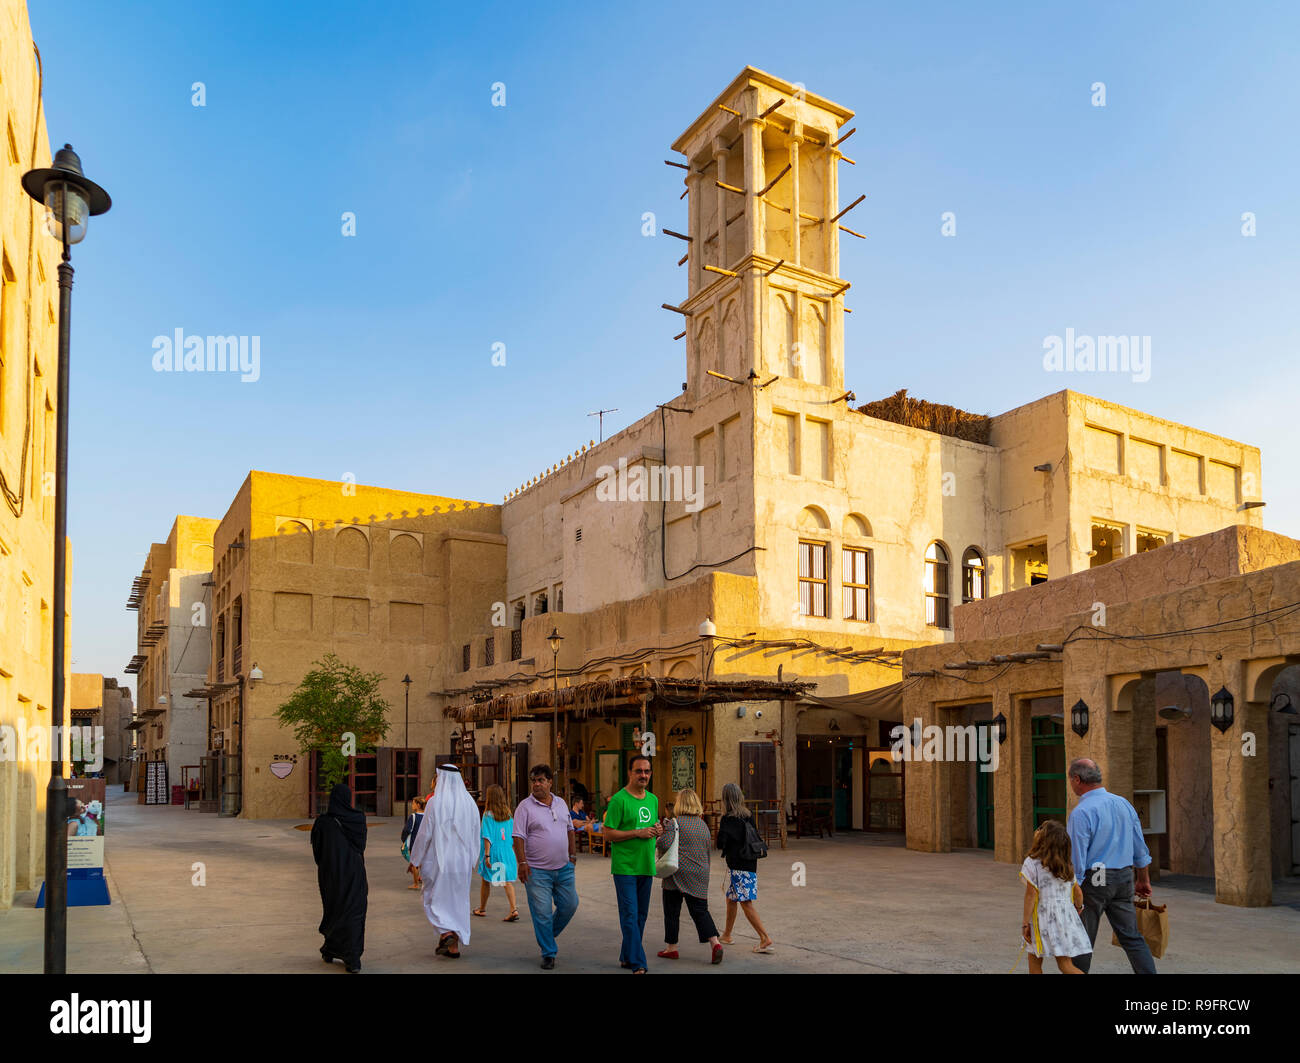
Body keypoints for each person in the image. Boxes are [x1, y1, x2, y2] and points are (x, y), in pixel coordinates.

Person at [1065, 758, 1157, 974]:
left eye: (1071, 780)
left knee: (1083, 939)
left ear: (1077, 779)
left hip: (1095, 879)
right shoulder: (1123, 803)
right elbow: (1139, 847)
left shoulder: (1081, 812)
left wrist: (1074, 891)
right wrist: (1143, 878)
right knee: (1132, 936)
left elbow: (1076, 858)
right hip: (1124, 876)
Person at [409, 763, 480, 959]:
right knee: (456, 904)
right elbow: (476, 834)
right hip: (462, 863)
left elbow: (424, 834)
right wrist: (473, 859)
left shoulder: (435, 802)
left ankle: (446, 933)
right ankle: (452, 948)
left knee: (433, 900)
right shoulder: (470, 804)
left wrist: (415, 858)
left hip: (439, 862)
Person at [600, 753, 663, 973]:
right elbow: (607, 834)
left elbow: (651, 827)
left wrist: (657, 830)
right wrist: (638, 833)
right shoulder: (619, 800)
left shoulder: (653, 799)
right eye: (639, 771)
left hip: (646, 865)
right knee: (630, 914)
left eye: (646, 771)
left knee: (641, 916)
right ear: (630, 773)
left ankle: (627, 955)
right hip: (625, 867)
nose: (643, 775)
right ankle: (638, 962)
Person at [512, 764, 579, 969]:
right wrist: (522, 863)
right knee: (541, 912)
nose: (537, 784)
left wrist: (573, 855)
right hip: (536, 870)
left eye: (541, 780)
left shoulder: (561, 803)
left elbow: (569, 829)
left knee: (570, 904)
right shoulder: (524, 807)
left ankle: (547, 934)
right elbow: (518, 837)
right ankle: (548, 952)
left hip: (564, 868)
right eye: (534, 780)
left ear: (550, 782)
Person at [655, 787, 722, 965]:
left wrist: (660, 835)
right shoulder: (703, 826)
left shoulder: (675, 823)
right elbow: (708, 852)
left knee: (671, 911)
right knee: (700, 911)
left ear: (680, 804)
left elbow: (664, 844)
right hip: (700, 873)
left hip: (676, 872)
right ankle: (715, 943)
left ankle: (672, 948)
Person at [310, 783, 368, 973]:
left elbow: (317, 852)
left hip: (331, 875)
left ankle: (331, 948)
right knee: (354, 912)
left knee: (334, 910)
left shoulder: (322, 822)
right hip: (354, 873)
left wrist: (327, 865)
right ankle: (352, 957)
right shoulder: (358, 819)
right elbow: (361, 846)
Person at [1020, 820, 1090, 974]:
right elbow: (1078, 893)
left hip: (1041, 918)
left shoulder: (1032, 863)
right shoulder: (1066, 864)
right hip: (1064, 917)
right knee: (1065, 965)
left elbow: (1030, 895)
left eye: (1040, 828)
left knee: (1035, 962)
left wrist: (1025, 923)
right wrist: (1078, 908)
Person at [717, 782, 774, 954]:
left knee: (745, 902)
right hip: (750, 862)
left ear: (726, 799)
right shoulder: (748, 815)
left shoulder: (728, 819)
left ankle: (765, 938)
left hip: (738, 865)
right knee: (732, 899)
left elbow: (720, 844)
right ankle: (727, 935)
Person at [473, 784, 520, 921]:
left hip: (494, 851)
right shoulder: (508, 815)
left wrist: (487, 855)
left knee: (486, 880)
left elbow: (487, 837)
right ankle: (512, 909)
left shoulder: (488, 815)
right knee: (506, 881)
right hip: (507, 851)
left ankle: (483, 909)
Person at [402, 796, 426, 889]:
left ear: (418, 805)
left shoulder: (413, 816)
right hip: (425, 842)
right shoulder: (426, 816)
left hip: (415, 843)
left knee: (414, 863)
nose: (412, 805)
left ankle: (415, 884)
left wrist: (403, 839)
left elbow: (407, 830)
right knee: (423, 862)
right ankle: (423, 879)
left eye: (413, 803)